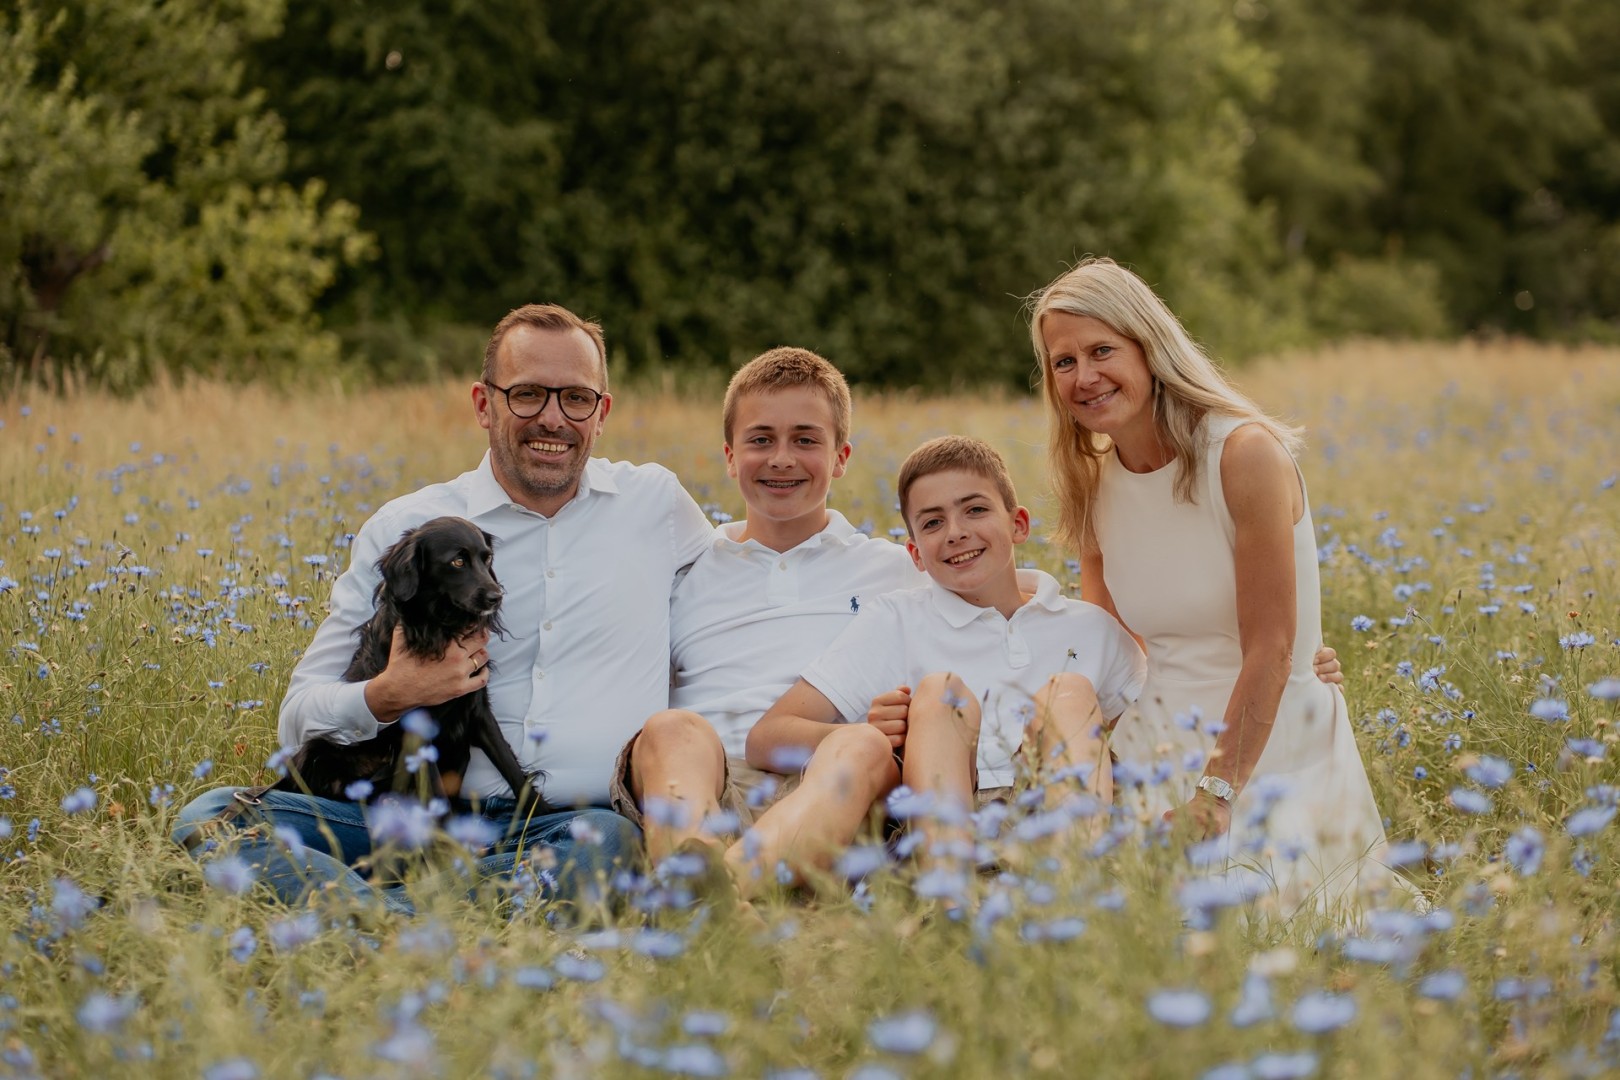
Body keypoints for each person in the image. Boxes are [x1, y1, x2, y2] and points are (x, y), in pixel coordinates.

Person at [173, 303, 714, 913]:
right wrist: (387, 694)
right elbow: (298, 718)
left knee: (609, 846)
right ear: (484, 404)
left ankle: (369, 917)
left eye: (576, 399)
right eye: (528, 394)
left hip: (564, 828)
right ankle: (430, 917)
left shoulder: (655, 505)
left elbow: (746, 579)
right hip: (395, 818)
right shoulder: (406, 529)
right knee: (210, 817)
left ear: (602, 412)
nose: (553, 418)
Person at [1029, 256, 1402, 913]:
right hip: (1157, 742)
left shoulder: (1243, 454)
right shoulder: (1092, 484)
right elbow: (1114, 648)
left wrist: (1213, 798)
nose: (1084, 377)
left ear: (1149, 347)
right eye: (1064, 361)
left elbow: (1272, 649)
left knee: (1257, 929)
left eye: (1102, 351)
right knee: (1107, 925)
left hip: (1269, 748)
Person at [747, 436, 1148, 872]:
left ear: (1018, 524)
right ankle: (948, 891)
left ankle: (1076, 881)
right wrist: (872, 733)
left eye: (975, 510)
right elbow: (767, 737)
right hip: (934, 817)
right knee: (940, 693)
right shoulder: (896, 619)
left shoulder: (1090, 628)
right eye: (933, 522)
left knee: (1069, 693)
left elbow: (1151, 735)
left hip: (1051, 814)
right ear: (916, 554)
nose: (956, 532)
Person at [609, 347, 925, 898]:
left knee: (865, 745)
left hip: (834, 792)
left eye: (805, 440)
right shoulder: (685, 568)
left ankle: (707, 896)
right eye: (760, 440)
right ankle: (713, 880)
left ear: (842, 456)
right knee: (670, 729)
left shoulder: (895, 569)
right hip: (705, 786)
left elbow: (994, 596)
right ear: (730, 457)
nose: (782, 458)